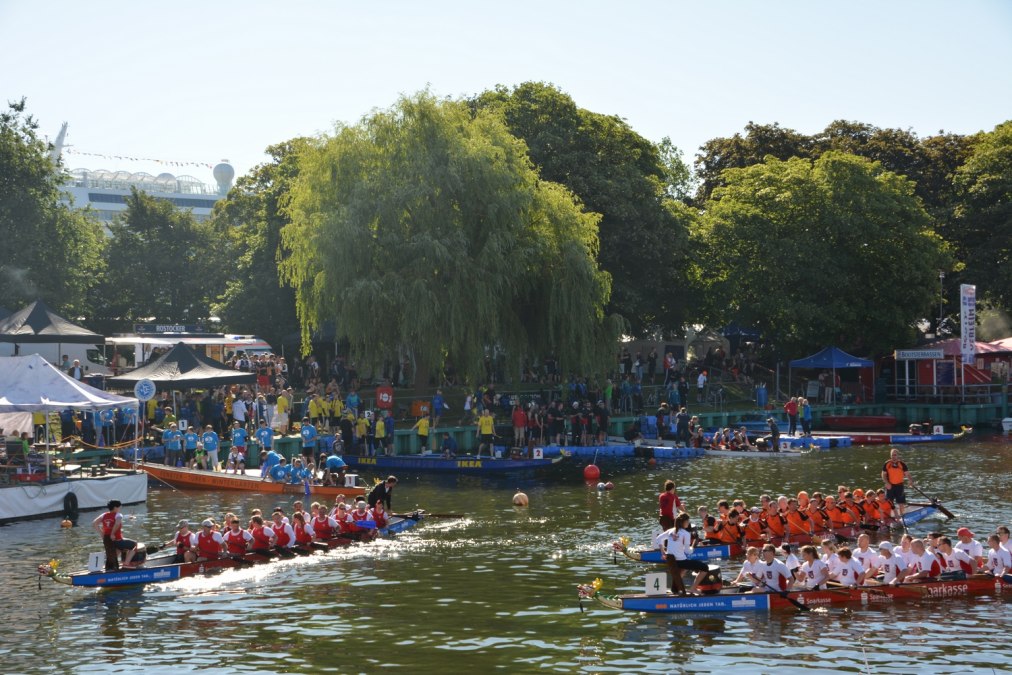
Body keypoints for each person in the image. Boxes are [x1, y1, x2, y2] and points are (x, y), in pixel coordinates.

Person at [655, 512, 709, 595]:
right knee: (705, 568)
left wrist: (663, 552)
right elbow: (688, 551)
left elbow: (658, 539)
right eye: (688, 521)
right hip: (680, 561)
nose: (688, 523)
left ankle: (675, 588)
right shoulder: (685, 533)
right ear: (684, 522)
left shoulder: (670, 531)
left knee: (685, 568)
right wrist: (693, 546)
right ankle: (693, 589)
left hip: (671, 560)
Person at [92, 499, 137, 570]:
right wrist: (112, 534)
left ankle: (114, 565)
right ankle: (126, 563)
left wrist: (102, 534)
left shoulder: (104, 515)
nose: (120, 508)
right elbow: (117, 523)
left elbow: (94, 523)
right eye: (119, 507)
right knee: (135, 545)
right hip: (117, 540)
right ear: (115, 507)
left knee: (119, 548)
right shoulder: (118, 515)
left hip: (108, 540)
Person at [881, 447, 913, 517]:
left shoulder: (902, 464)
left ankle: (902, 516)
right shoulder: (887, 463)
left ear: (898, 456)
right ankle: (889, 517)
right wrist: (887, 483)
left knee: (901, 502)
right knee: (889, 502)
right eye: (892, 455)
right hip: (890, 485)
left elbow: (907, 474)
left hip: (899, 485)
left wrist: (910, 481)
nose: (893, 456)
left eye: (895, 455)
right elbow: (883, 475)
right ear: (890, 456)